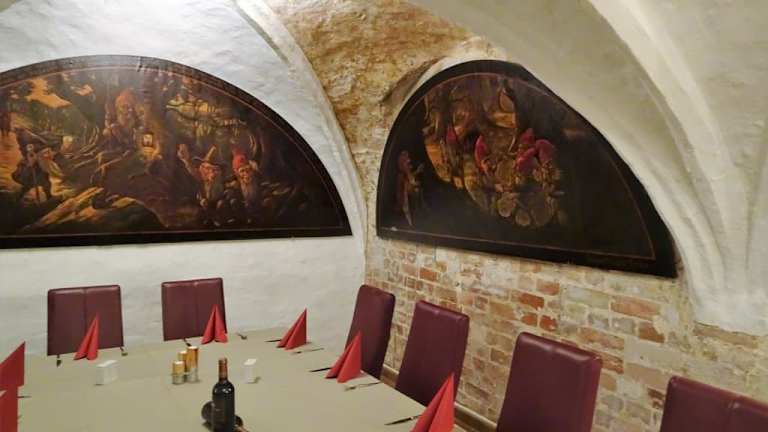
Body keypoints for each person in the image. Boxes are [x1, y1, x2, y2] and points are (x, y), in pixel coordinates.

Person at [178, 144, 227, 227]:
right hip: (204, 206)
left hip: (218, 207)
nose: (211, 172)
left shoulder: (222, 181)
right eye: (208, 168)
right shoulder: (202, 177)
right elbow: (192, 171)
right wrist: (185, 160)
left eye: (215, 169)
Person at [225, 153, 263, 225]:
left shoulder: (257, 180)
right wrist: (230, 186)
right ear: (237, 173)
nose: (246, 173)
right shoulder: (235, 182)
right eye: (242, 171)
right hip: (243, 209)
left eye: (248, 170)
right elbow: (225, 184)